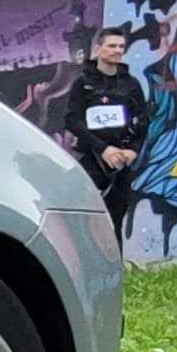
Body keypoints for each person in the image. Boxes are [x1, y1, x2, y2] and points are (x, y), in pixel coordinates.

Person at [55, 28, 149, 243]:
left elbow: (143, 121)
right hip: (91, 160)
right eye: (111, 46)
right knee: (88, 220)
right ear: (98, 49)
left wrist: (133, 150)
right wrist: (102, 148)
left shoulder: (131, 85)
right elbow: (72, 121)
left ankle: (114, 271)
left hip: (121, 164)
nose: (117, 51)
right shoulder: (83, 84)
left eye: (121, 47)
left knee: (115, 220)